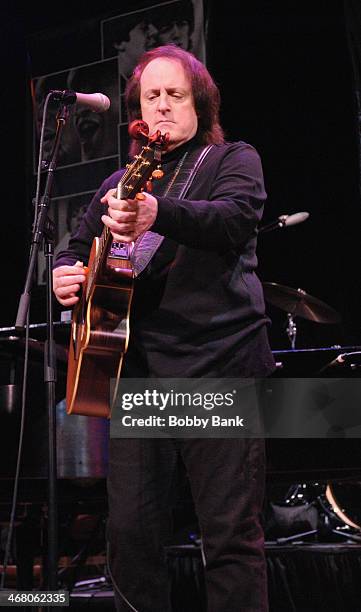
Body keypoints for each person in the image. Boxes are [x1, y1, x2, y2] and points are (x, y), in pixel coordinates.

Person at [53, 44, 275, 612]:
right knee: (130, 536)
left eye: (175, 95)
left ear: (199, 103)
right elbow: (77, 250)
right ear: (137, 111)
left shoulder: (231, 160)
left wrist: (160, 214)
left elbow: (233, 219)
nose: (162, 106)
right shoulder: (115, 183)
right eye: (151, 96)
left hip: (216, 371)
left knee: (229, 540)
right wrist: (66, 274)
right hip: (139, 375)